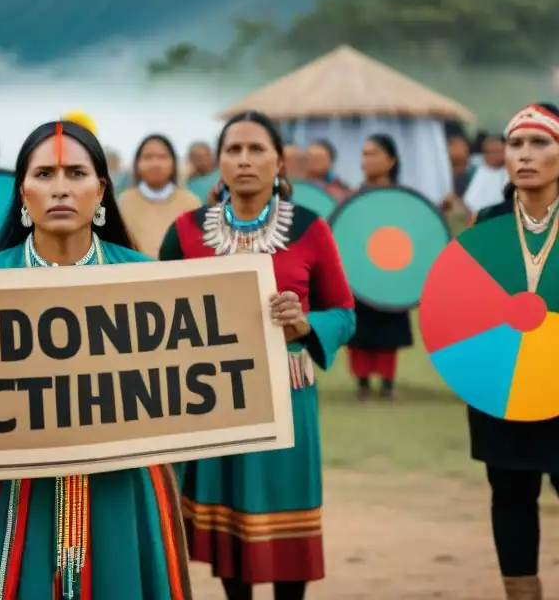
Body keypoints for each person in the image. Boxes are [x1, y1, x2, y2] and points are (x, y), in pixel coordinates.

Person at [0, 120, 192, 599]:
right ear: (22, 191)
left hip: (123, 487)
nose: (60, 188)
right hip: (20, 491)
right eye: (43, 174)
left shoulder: (148, 280)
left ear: (101, 189)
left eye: (76, 174)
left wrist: (264, 320)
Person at [159, 111, 355, 600]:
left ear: (280, 161)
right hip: (212, 397)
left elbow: (346, 314)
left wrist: (306, 324)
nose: (244, 160)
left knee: (287, 513)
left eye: (256, 150)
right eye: (233, 150)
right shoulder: (184, 231)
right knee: (229, 525)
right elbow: (154, 316)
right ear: (218, 162)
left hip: (288, 395)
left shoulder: (311, 229)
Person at [464, 104, 559, 600]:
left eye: (540, 143)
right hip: (506, 386)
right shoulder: (488, 222)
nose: (525, 155)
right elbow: (465, 310)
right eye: (517, 144)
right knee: (512, 495)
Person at [346, 134, 412, 401]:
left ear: (390, 160)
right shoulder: (353, 199)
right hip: (359, 273)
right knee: (360, 329)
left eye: (373, 154)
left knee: (388, 326)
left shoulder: (405, 199)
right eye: (364, 154)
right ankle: (362, 382)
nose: (366, 160)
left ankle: (387, 383)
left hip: (392, 271)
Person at [118, 134, 201, 258]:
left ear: (173, 163)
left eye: (162, 157)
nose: (155, 163)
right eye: (148, 157)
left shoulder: (191, 202)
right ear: (137, 164)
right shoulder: (123, 202)